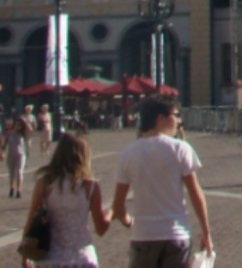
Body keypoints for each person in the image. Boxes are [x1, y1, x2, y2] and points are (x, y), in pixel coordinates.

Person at [111, 96, 212, 268]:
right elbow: (196, 194)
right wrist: (206, 232)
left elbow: (118, 205)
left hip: (143, 236)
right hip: (176, 235)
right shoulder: (180, 149)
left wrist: (128, 221)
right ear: (160, 119)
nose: (179, 121)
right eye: (176, 115)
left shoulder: (128, 154)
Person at [22, 132, 112, 267]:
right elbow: (101, 229)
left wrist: (25, 256)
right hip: (81, 257)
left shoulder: (45, 183)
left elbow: (30, 222)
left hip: (51, 258)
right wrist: (111, 212)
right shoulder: (90, 186)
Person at [7, 113, 32, 198]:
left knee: (19, 172)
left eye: (20, 125)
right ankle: (11, 188)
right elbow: (3, 145)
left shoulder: (23, 134)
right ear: (14, 125)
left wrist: (24, 121)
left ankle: (19, 190)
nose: (18, 126)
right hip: (11, 155)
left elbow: (30, 130)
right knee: (11, 174)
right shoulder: (9, 133)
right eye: (17, 124)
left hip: (21, 155)